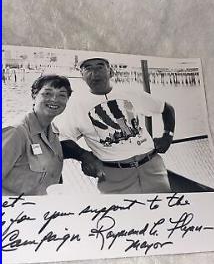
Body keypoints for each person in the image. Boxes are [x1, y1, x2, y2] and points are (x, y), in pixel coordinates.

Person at [56, 58, 175, 194]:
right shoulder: (76, 106)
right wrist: (84, 156)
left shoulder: (131, 93)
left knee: (163, 209)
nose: (94, 73)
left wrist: (168, 135)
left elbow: (166, 108)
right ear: (82, 76)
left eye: (100, 67)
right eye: (88, 68)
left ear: (111, 72)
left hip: (152, 165)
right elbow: (63, 139)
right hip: (113, 174)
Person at [2, 74, 73, 196]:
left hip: (43, 207)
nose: (54, 99)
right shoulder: (16, 132)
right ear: (34, 96)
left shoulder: (53, 130)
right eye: (47, 93)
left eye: (62, 95)